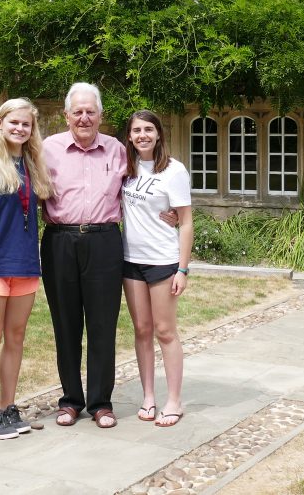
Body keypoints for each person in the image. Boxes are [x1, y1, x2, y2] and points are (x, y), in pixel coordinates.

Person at [39, 82, 127, 429]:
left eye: (91, 111)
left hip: (105, 242)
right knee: (66, 324)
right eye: (78, 111)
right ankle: (71, 400)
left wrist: (171, 212)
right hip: (60, 241)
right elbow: (23, 188)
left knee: (103, 325)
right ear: (66, 116)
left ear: (101, 116)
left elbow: (141, 188)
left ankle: (101, 403)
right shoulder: (48, 149)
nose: (85, 117)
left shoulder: (117, 150)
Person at [0, 98, 53, 440]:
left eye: (26, 124)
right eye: (13, 122)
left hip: (26, 265)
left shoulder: (33, 165)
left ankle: (9, 407)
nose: (19, 128)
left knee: (16, 338)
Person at [121, 109, 193, 428]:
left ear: (159, 134)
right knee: (142, 330)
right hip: (130, 261)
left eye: (148, 130)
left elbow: (187, 222)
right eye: (137, 131)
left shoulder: (174, 171)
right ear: (130, 136)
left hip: (163, 261)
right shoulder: (125, 168)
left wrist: (183, 269)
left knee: (165, 331)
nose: (143, 136)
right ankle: (148, 396)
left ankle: (174, 401)